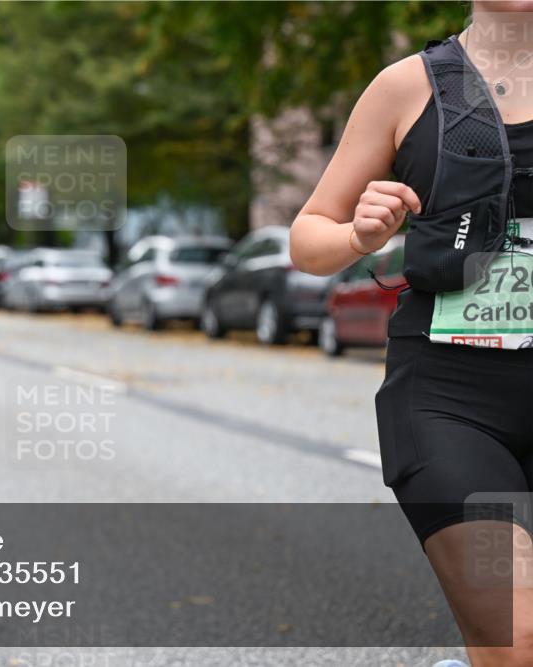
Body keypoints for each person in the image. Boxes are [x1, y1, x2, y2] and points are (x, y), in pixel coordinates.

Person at [290, 4, 532, 666]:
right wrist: (360, 235)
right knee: (517, 637)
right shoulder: (408, 86)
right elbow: (308, 236)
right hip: (451, 405)